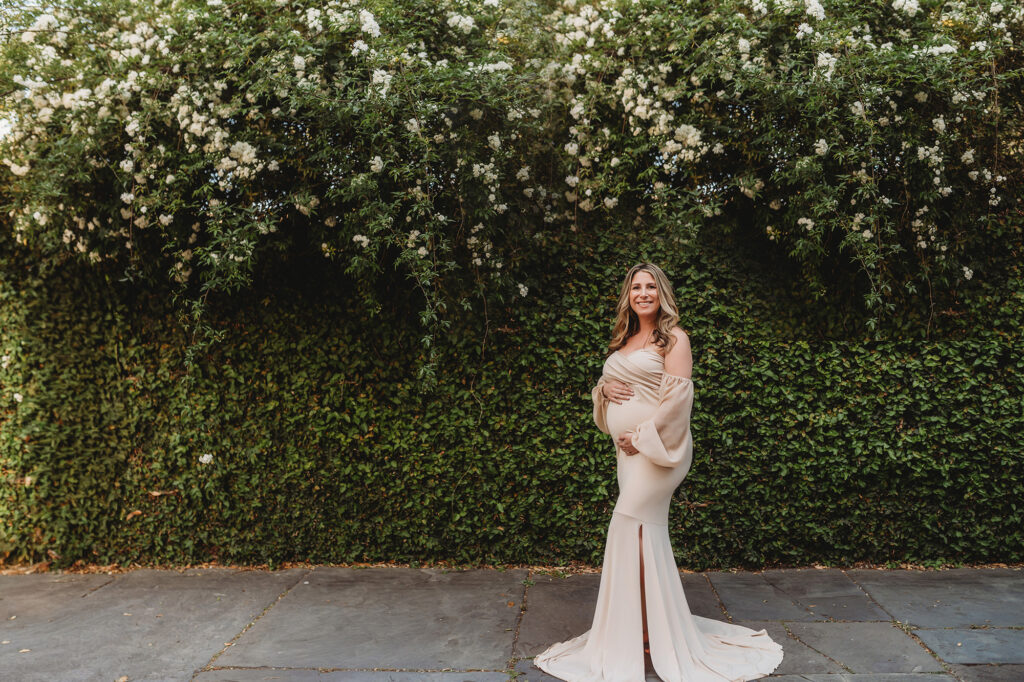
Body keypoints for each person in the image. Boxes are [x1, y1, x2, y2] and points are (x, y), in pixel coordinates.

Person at [534, 263, 784, 682]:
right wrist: (603, 388)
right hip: (628, 458)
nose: (644, 293)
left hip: (657, 453)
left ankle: (643, 633)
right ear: (628, 295)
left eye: (651, 286)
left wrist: (643, 437)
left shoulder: (675, 339)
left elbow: (677, 404)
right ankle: (644, 631)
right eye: (636, 287)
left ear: (661, 293)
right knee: (642, 535)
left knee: (625, 524)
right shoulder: (625, 339)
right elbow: (614, 384)